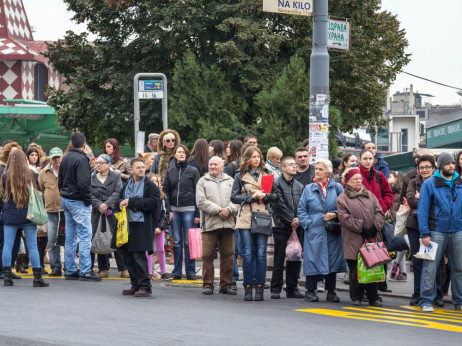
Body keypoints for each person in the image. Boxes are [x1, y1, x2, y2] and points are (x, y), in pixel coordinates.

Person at [231, 146, 277, 301]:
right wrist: (251, 196)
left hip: (262, 216)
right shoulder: (239, 176)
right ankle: (248, 288)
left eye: (258, 156)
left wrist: (266, 195)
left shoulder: (268, 175)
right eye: (253, 157)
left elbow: (276, 196)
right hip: (245, 217)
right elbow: (233, 197)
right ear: (247, 159)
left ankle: (260, 288)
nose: (257, 159)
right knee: (248, 253)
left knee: (261, 253)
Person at [417, 152, 462, 312]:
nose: (451, 166)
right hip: (435, 231)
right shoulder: (430, 184)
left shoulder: (460, 182)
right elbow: (422, 210)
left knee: (459, 268)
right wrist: (424, 233)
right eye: (447, 163)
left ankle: (459, 301)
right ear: (441, 165)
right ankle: (426, 301)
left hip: (457, 231)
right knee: (430, 267)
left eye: (452, 163)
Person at [298, 159, 346, 302]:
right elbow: (301, 210)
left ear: (328, 172)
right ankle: (310, 290)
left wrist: (336, 214)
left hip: (332, 229)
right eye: (316, 169)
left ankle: (331, 291)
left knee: (332, 259)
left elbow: (345, 207)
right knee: (312, 258)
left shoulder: (337, 187)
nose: (317, 171)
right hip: (315, 229)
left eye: (320, 169)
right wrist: (309, 224)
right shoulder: (308, 188)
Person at [337, 167, 385, 306]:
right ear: (348, 182)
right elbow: (344, 218)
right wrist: (361, 228)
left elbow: (379, 211)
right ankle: (356, 296)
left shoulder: (370, 195)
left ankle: (373, 297)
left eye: (359, 178)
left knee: (373, 267)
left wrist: (375, 226)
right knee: (355, 269)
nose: (359, 181)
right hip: (354, 239)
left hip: (372, 237)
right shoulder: (342, 198)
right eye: (355, 179)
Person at [1, 150, 49, 287]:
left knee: (8, 245)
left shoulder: (5, 176)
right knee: (33, 246)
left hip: (10, 213)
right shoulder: (32, 174)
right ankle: (37, 278)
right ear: (24, 160)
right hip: (29, 213)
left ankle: (7, 277)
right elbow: (38, 194)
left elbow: (3, 194)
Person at [59, 132, 101, 282]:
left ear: (71, 144)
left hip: (66, 199)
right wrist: (88, 200)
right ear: (84, 145)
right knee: (84, 236)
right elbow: (84, 183)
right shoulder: (82, 159)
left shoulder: (65, 158)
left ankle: (70, 269)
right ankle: (85, 270)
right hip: (78, 200)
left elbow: (61, 180)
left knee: (70, 236)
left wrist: (63, 193)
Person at [117, 158, 160, 297]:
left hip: (142, 225)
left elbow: (153, 203)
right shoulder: (127, 183)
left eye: (143, 167)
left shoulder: (150, 185)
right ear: (131, 170)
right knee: (128, 256)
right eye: (138, 167)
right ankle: (135, 284)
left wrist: (132, 202)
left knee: (139, 256)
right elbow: (119, 198)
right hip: (127, 224)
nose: (141, 169)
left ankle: (145, 286)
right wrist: (120, 203)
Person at [405, 155, 444, 307]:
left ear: (434, 168)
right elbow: (410, 200)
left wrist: (422, 197)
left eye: (428, 167)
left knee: (436, 262)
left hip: (435, 226)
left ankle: (437, 295)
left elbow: (441, 201)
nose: (425, 170)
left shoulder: (440, 182)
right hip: (415, 226)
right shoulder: (413, 182)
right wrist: (425, 198)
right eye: (422, 167)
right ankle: (418, 293)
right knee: (418, 261)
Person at [196, 156, 238, 295]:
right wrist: (219, 210)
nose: (212, 167)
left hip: (228, 223)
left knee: (228, 255)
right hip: (210, 223)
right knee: (207, 255)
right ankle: (208, 284)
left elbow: (237, 200)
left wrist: (229, 210)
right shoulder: (202, 181)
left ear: (222, 167)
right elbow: (201, 201)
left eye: (215, 164)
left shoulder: (231, 181)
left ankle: (226, 285)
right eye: (211, 164)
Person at [163, 144, 200, 280]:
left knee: (189, 242)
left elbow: (198, 192)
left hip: (190, 210)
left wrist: (198, 214)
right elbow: (165, 191)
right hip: (174, 210)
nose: (181, 154)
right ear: (174, 155)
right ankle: (177, 271)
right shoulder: (170, 170)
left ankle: (191, 272)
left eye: (183, 152)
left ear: (187, 154)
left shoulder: (193, 171)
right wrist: (168, 211)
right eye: (179, 152)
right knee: (177, 241)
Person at [270, 156, 305, 299]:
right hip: (281, 225)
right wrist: (292, 219)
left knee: (294, 258)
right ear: (283, 168)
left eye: (294, 165)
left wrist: (298, 220)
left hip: (296, 227)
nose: (294, 167)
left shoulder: (299, 186)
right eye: (291, 164)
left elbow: (302, 205)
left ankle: (292, 288)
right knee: (279, 259)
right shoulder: (276, 183)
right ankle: (275, 288)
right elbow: (278, 205)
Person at [90, 154, 126, 278]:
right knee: (100, 237)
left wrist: (107, 204)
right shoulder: (92, 176)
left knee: (117, 239)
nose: (98, 165)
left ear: (109, 164)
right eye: (97, 163)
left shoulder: (115, 176)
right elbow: (89, 193)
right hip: (97, 211)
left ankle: (123, 268)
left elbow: (118, 191)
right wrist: (99, 205)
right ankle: (103, 268)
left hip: (112, 211)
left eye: (101, 163)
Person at [38, 147, 64, 277]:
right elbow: (40, 191)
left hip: (65, 211)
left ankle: (70, 267)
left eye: (59, 157)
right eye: (54, 157)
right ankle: (56, 268)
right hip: (50, 211)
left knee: (68, 240)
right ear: (50, 158)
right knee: (52, 240)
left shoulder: (67, 170)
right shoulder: (43, 172)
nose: (57, 160)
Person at [0, 142, 23, 280]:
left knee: (15, 241)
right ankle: (3, 268)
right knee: (5, 241)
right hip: (6, 210)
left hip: (15, 210)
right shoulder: (2, 169)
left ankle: (9, 267)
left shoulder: (17, 170)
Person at [146, 173, 170, 280]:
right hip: (148, 227)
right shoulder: (145, 196)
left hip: (159, 228)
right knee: (149, 249)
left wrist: (160, 227)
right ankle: (149, 271)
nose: (156, 183)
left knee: (160, 249)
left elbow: (165, 214)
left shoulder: (162, 197)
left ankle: (163, 271)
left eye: (157, 181)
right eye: (153, 180)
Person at [387, 171, 408, 282]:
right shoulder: (389, 190)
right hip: (392, 221)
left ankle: (397, 264)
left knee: (404, 244)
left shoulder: (401, 191)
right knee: (400, 245)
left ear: (396, 179)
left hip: (400, 221)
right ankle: (403, 272)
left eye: (390, 177)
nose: (387, 178)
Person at [358, 149, 393, 214]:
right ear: (360, 160)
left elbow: (388, 193)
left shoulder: (379, 175)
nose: (368, 161)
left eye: (370, 158)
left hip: (379, 214)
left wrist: (384, 208)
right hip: (362, 215)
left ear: (373, 159)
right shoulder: (354, 176)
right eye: (365, 158)